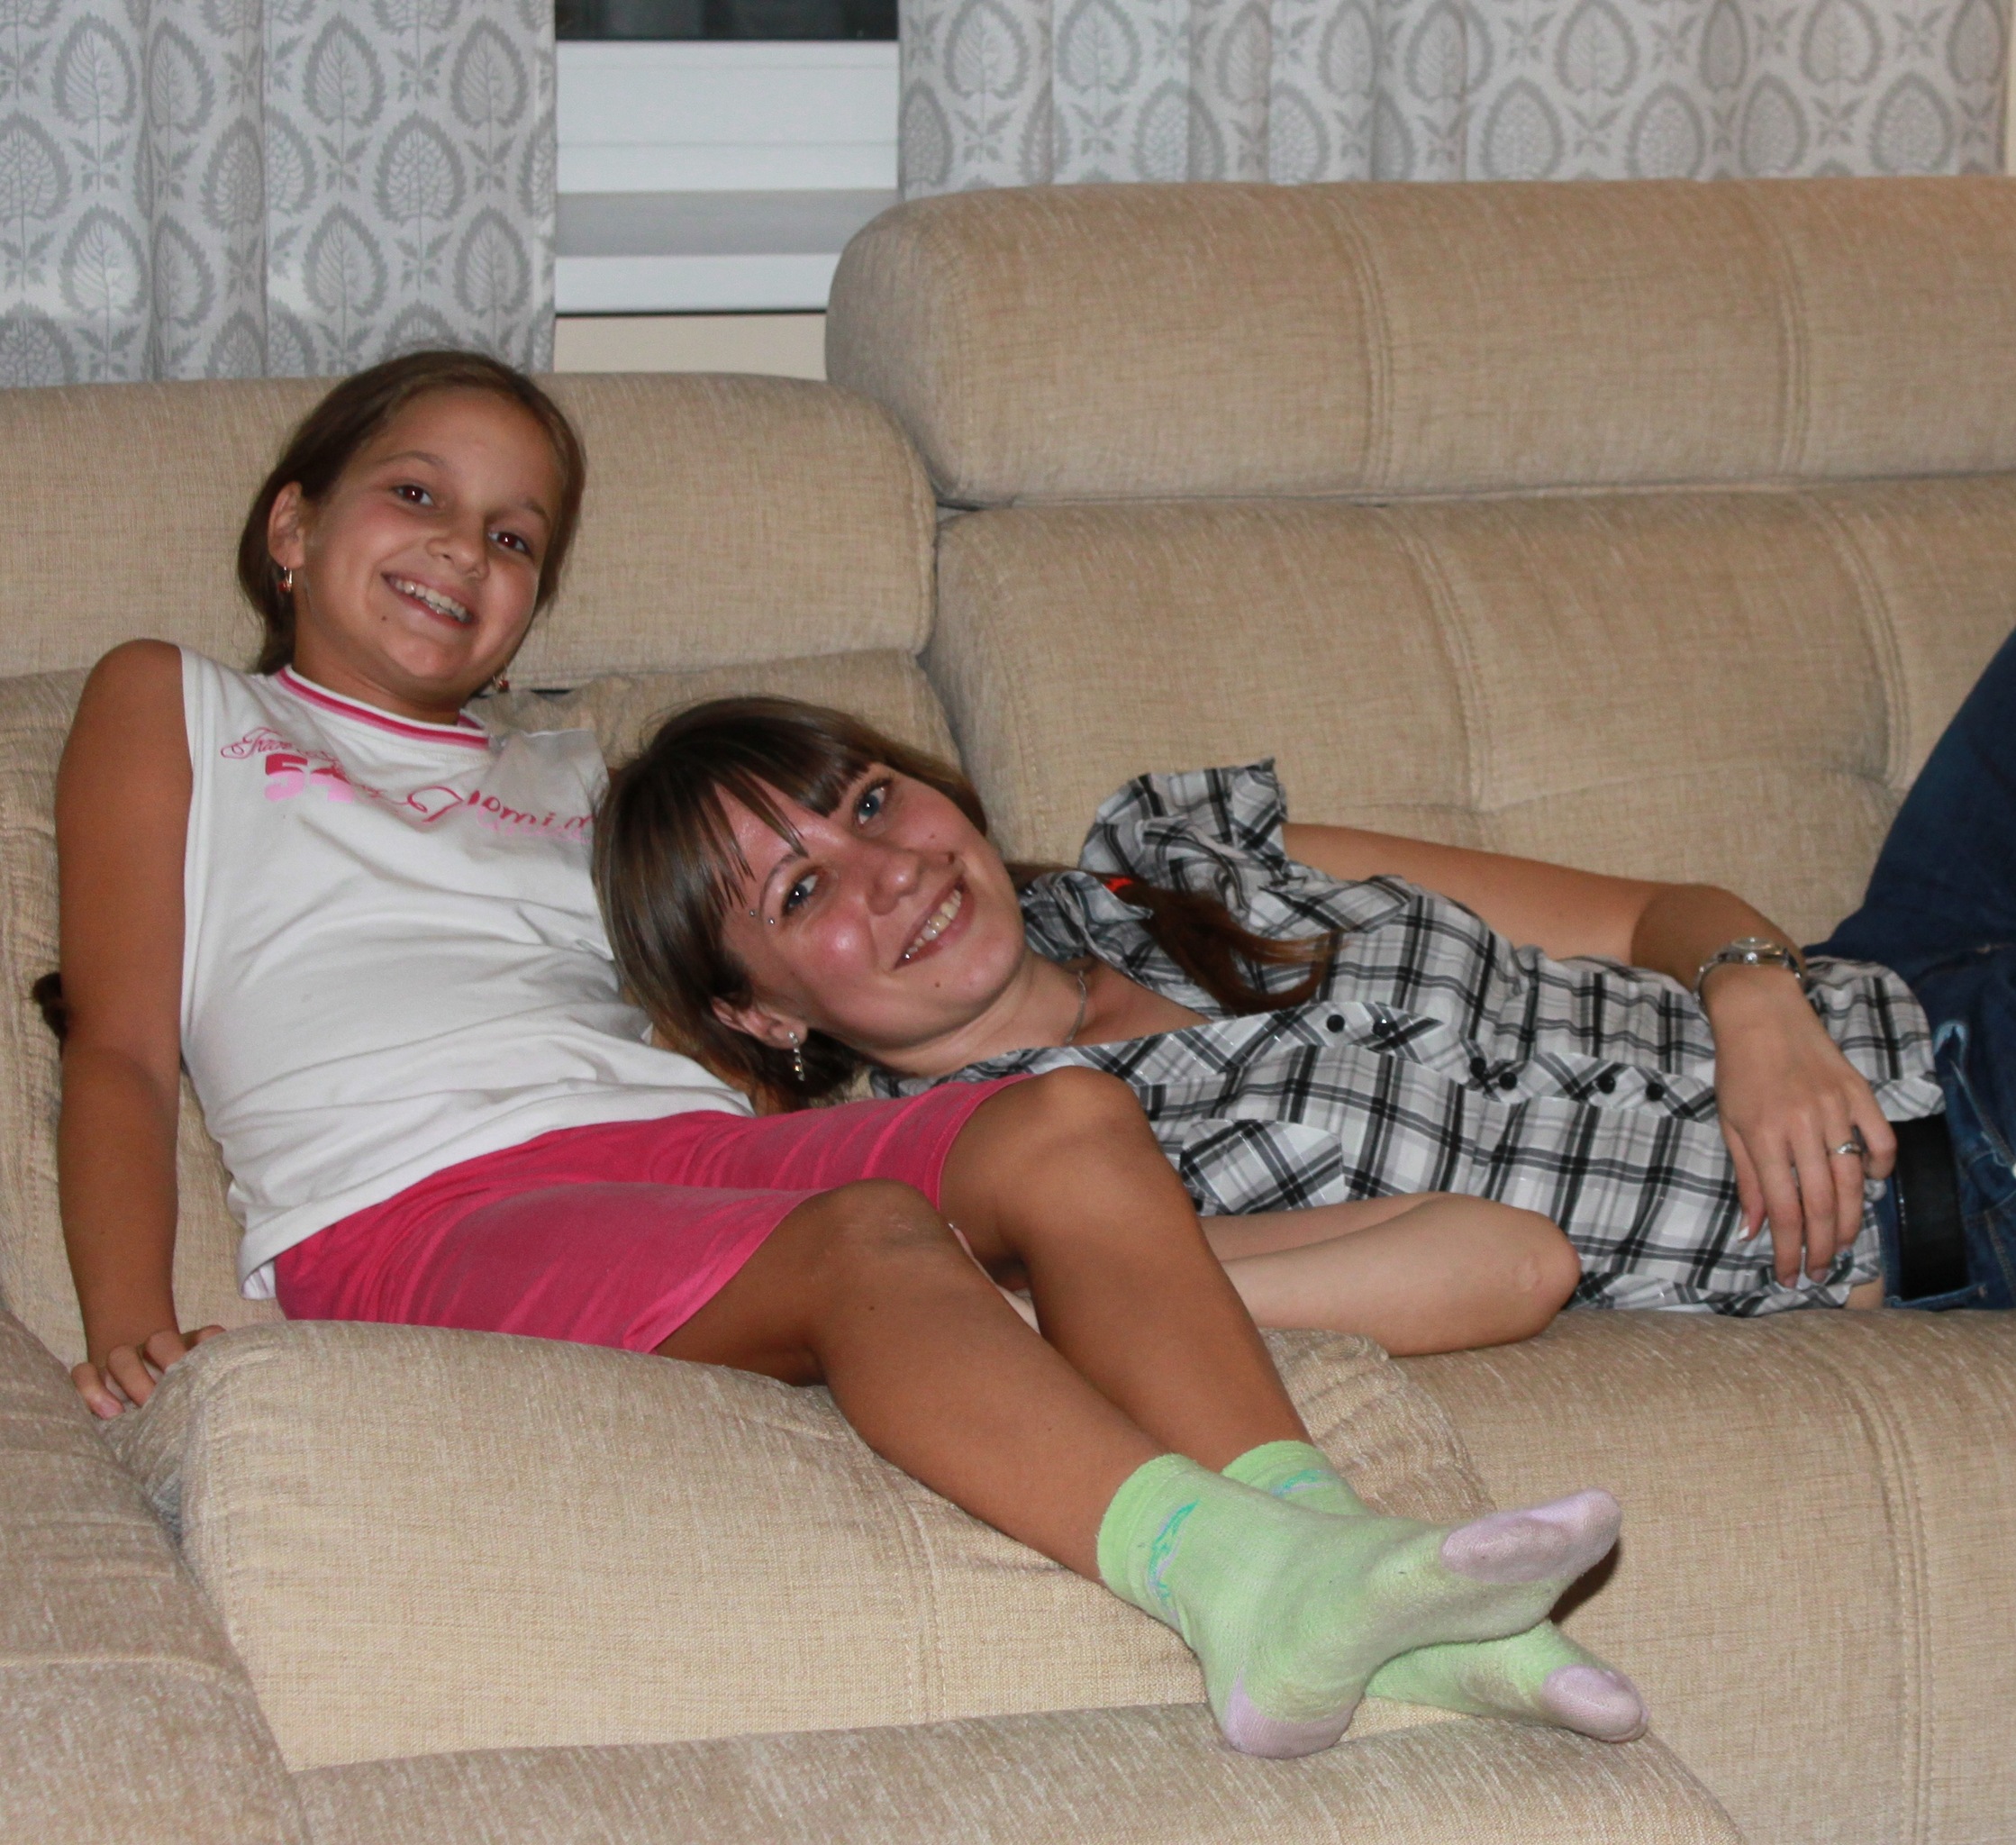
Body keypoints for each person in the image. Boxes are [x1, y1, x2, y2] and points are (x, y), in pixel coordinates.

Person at [47, 350, 1639, 1759]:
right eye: (417, 495)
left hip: (679, 1152)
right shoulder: (175, 703)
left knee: (1061, 1117)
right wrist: (127, 1322)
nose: (464, 549)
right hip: (424, 1204)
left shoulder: (572, 782)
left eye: (514, 536)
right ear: (290, 525)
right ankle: (1238, 1581)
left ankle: (1334, 1565)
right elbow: (120, 1050)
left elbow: (725, 1008)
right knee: (864, 1232)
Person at [594, 698, 1946, 1333]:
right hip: (1953, 1195)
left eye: (872, 800)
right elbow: (1510, 1262)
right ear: (756, 1011)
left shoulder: (1182, 866)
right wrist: (1056, 1291)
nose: (893, 869)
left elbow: (1652, 913)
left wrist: (1756, 1006)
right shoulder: (1024, 1191)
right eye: (803, 891)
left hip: (1914, 983)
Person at [1812, 625, 2016, 1308]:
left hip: (1873, 974)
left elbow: (1649, 915)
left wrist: (1745, 990)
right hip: (1951, 1179)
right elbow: (1533, 1269)